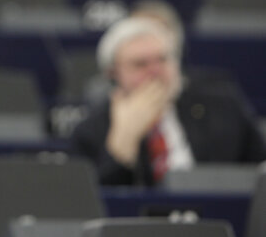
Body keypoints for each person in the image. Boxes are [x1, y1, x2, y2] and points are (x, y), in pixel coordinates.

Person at [70, 18, 266, 186]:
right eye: (140, 64)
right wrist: (123, 143)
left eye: (163, 59)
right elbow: (96, 201)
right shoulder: (91, 129)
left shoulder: (222, 104)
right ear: (113, 74)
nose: (156, 71)